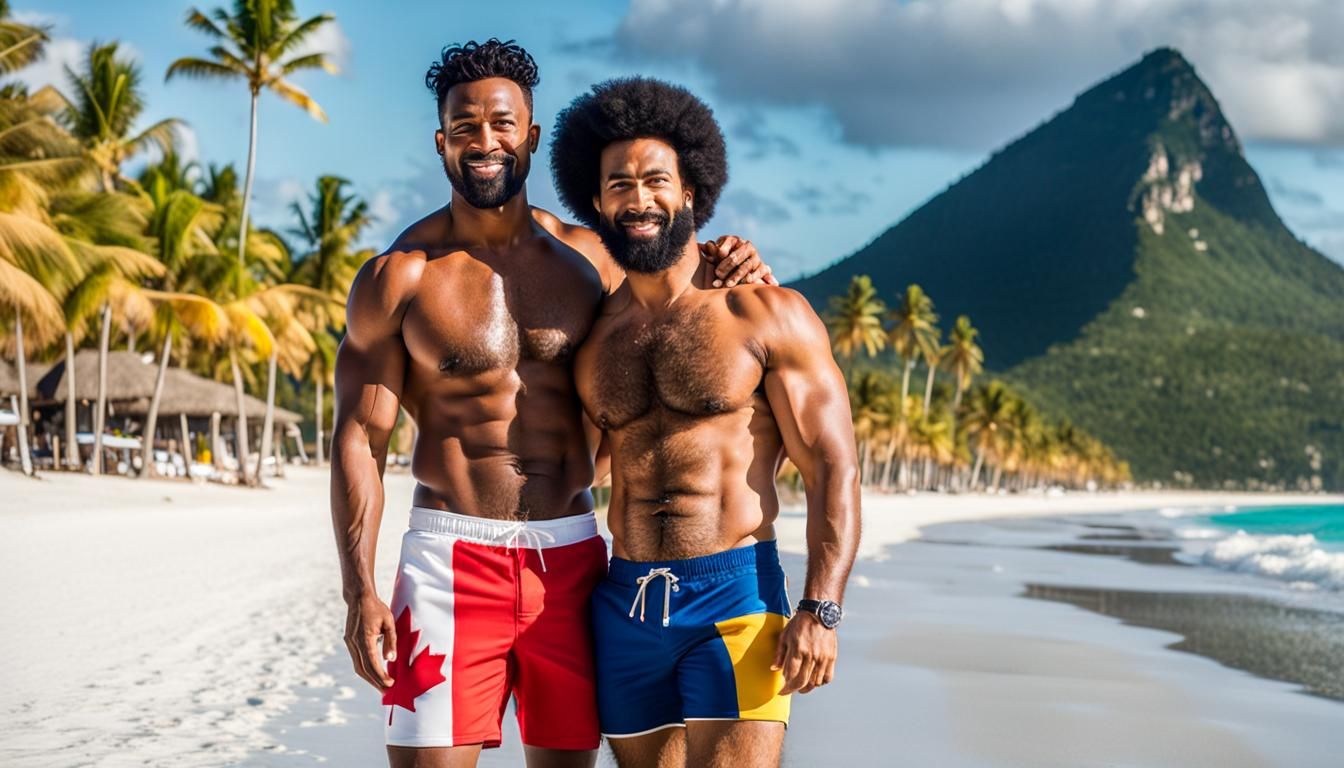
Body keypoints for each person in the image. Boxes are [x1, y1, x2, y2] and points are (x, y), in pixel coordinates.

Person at [330, 40, 776, 768]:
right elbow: (359, 440)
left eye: (502, 125)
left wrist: (742, 263)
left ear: (530, 136)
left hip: (571, 562)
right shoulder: (398, 278)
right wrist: (360, 592)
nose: (485, 142)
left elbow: (692, 317)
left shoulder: (594, 263)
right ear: (441, 141)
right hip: (448, 559)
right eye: (465, 127)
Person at [550, 77, 861, 768]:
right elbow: (588, 465)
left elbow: (833, 464)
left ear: (690, 190)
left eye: (656, 179)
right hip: (624, 605)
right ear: (596, 202)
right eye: (619, 184)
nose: (639, 198)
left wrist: (822, 607)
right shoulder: (597, 338)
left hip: (734, 597)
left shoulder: (764, 313)